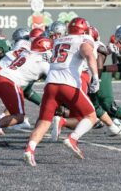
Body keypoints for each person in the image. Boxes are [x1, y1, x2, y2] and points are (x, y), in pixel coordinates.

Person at [51, 26, 121, 141]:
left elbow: (102, 57)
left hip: (97, 76)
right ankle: (113, 126)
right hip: (87, 76)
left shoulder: (95, 45)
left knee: (109, 106)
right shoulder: (77, 44)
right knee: (92, 106)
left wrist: (96, 76)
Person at [23, 17, 99, 167]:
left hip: (51, 83)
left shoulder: (59, 41)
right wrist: (95, 77)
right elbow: (89, 55)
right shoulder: (83, 40)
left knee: (44, 121)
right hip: (68, 83)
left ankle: (30, 149)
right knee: (92, 116)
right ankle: (72, 138)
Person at [0, 37, 53, 146]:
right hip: (10, 82)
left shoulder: (25, 52)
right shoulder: (43, 64)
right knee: (19, 116)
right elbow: (51, 78)